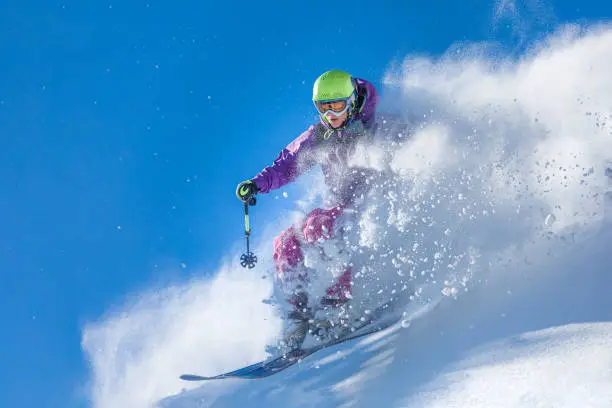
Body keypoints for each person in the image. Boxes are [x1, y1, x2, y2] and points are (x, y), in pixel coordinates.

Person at [236, 69, 381, 348]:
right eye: (323, 108)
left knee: (320, 225)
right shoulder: (320, 136)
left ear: (351, 101)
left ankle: (337, 304)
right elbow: (287, 164)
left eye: (337, 105)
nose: (331, 115)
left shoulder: (377, 121)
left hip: (374, 202)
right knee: (285, 243)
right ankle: (298, 314)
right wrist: (257, 184)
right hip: (341, 206)